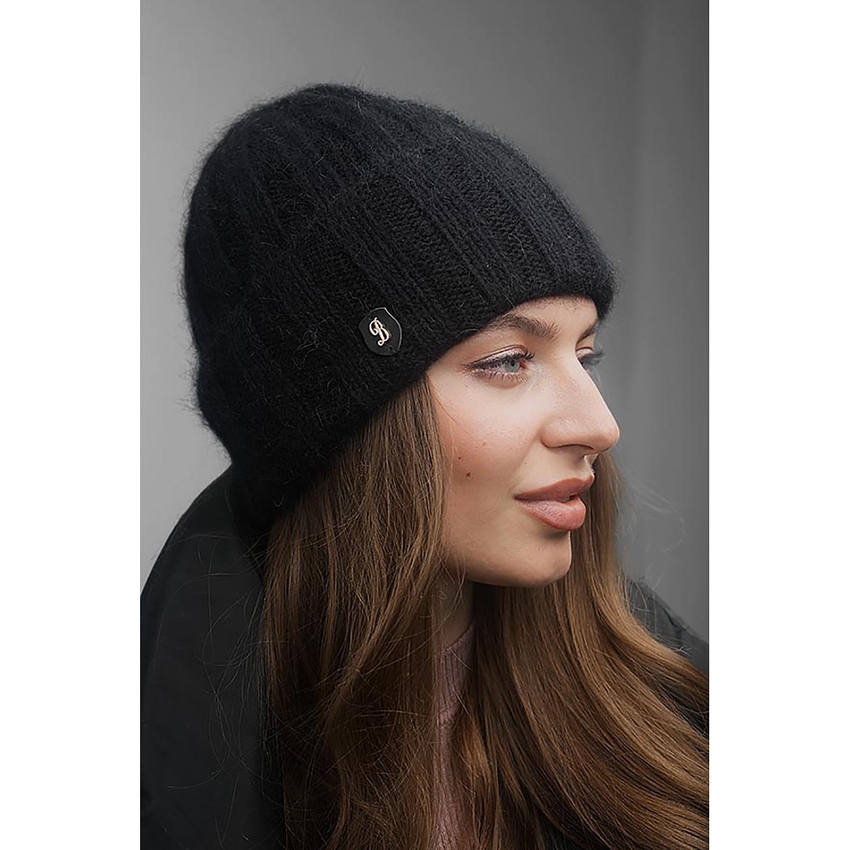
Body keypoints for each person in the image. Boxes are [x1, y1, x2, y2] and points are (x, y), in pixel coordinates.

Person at [141, 82, 708, 850]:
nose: (599, 427)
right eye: (509, 361)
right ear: (343, 423)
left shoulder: (651, 687)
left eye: (586, 356)